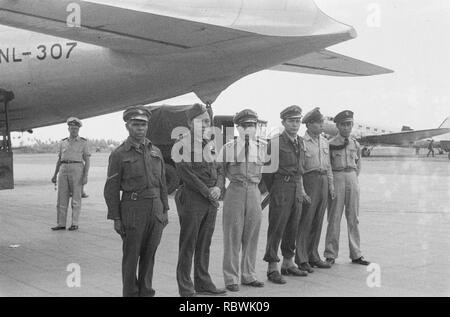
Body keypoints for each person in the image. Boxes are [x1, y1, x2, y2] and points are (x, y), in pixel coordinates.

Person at [104, 106, 169, 297]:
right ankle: (131, 293)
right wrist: (116, 217)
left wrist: (165, 209)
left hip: (155, 208)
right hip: (133, 209)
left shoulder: (155, 151)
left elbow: (163, 183)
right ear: (127, 126)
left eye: (144, 124)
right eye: (136, 124)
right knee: (132, 257)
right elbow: (111, 188)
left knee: (150, 255)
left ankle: (146, 292)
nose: (140, 128)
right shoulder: (119, 154)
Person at [172, 104, 226, 297]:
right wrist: (208, 192)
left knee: (204, 243)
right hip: (193, 198)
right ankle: (186, 288)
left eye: (207, 121)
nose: (204, 125)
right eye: (200, 121)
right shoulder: (182, 144)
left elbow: (219, 168)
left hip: (210, 199)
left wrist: (219, 187)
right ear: (189, 123)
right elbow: (186, 173)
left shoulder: (209, 143)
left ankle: (203, 282)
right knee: (188, 244)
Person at [262, 105, 310, 285]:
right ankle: (272, 267)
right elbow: (267, 173)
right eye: (291, 121)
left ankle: (288, 263)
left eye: (298, 121)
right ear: (283, 122)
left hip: (296, 186)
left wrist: (300, 188)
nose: (295, 124)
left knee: (293, 226)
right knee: (277, 227)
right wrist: (275, 190)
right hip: (281, 186)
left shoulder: (301, 142)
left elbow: (301, 169)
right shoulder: (275, 143)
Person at [220, 109, 265, 292]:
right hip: (235, 191)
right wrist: (221, 192)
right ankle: (231, 278)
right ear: (238, 127)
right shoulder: (228, 148)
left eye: (252, 125)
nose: (249, 129)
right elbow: (220, 171)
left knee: (252, 235)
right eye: (245, 125)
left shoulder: (262, 147)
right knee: (232, 236)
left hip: (254, 191)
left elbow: (267, 174)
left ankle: (248, 275)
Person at [324, 110, 370, 266]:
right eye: (343, 124)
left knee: (353, 218)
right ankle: (330, 254)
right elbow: (328, 166)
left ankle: (356, 254)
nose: (346, 127)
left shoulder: (355, 143)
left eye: (349, 124)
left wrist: (353, 179)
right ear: (337, 125)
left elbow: (359, 164)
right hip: (337, 178)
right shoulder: (330, 144)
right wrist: (331, 184)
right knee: (334, 218)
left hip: (351, 178)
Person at [296, 107, 334, 273]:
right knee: (306, 220)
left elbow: (329, 166)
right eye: (319, 123)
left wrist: (331, 186)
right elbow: (299, 169)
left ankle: (314, 256)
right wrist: (302, 190)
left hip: (323, 180)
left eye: (322, 123)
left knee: (318, 220)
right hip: (309, 180)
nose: (321, 126)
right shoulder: (302, 142)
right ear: (309, 124)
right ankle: (302, 258)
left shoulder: (325, 142)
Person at [51, 117, 90, 231]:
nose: (74, 131)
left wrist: (85, 175)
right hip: (63, 169)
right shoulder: (63, 142)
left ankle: (74, 223)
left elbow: (87, 160)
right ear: (68, 129)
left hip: (77, 169)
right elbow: (59, 159)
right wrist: (55, 174)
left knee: (76, 198)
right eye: (72, 128)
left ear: (78, 130)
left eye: (76, 129)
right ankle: (61, 224)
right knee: (61, 198)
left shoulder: (83, 142)